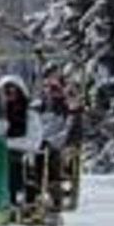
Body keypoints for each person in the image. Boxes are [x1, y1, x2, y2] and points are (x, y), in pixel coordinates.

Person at [0, 75, 43, 205]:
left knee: (10, 161)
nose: (9, 96)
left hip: (18, 156)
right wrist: (0, 125)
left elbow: (33, 141)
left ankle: (11, 197)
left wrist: (6, 144)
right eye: (5, 92)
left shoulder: (29, 115)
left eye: (13, 92)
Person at [35, 69, 83, 210]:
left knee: (51, 155)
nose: (50, 92)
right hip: (39, 142)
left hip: (59, 145)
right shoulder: (39, 107)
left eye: (54, 89)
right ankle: (30, 191)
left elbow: (69, 131)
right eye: (47, 88)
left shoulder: (68, 110)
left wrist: (55, 141)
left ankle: (53, 193)